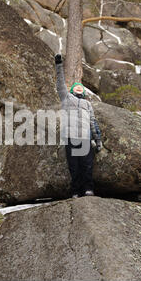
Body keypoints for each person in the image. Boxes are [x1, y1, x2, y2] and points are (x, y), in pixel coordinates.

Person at [54, 54, 102, 198]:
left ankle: (88, 189)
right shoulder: (67, 99)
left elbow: (93, 122)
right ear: (73, 90)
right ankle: (75, 191)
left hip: (86, 139)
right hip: (71, 138)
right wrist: (58, 65)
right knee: (73, 167)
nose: (79, 89)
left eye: (81, 88)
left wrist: (98, 140)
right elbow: (60, 84)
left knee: (87, 166)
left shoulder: (88, 104)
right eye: (77, 87)